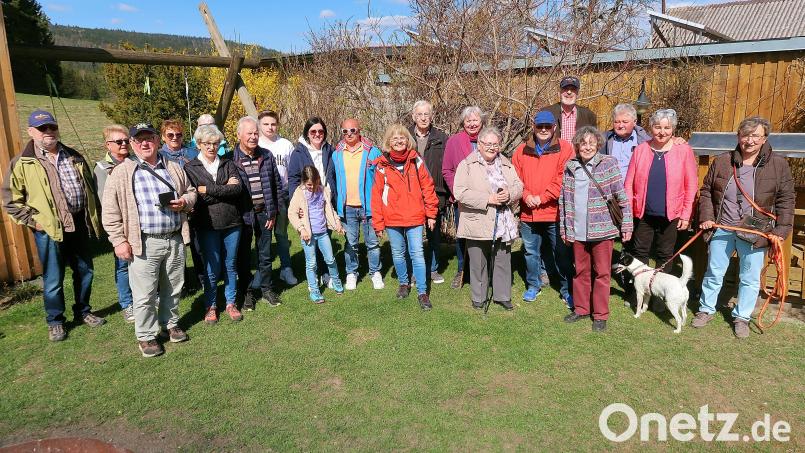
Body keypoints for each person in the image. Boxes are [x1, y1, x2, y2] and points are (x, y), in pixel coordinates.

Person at [2, 110, 105, 341]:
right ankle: (56, 321)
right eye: (42, 128)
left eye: (52, 127)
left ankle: (83, 311)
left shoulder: (73, 155)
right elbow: (10, 201)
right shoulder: (22, 162)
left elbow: (89, 188)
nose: (48, 131)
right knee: (53, 278)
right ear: (31, 132)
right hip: (48, 229)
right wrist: (34, 222)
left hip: (79, 223)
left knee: (85, 271)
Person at [101, 122, 197, 357]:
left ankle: (170, 323)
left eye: (149, 138)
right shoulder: (122, 172)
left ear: (156, 140)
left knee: (173, 286)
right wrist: (118, 241)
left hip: (174, 238)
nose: (145, 143)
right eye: (139, 139)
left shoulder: (173, 166)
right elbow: (110, 211)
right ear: (133, 144)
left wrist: (184, 202)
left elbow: (191, 191)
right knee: (144, 293)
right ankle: (146, 335)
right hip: (144, 242)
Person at [694, 116, 795, 339]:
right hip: (722, 227)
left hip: (755, 231)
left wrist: (780, 231)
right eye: (745, 135)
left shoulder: (778, 165)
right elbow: (707, 190)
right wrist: (707, 216)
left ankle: (742, 317)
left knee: (749, 277)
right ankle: (706, 309)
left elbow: (786, 200)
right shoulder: (722, 161)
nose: (750, 141)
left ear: (764, 138)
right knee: (714, 272)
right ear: (738, 136)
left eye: (755, 136)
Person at [559, 127, 633, 332]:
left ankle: (600, 315)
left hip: (602, 230)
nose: (587, 147)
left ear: (598, 145)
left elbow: (621, 196)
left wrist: (627, 224)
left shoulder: (608, 164)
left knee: (602, 273)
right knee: (580, 271)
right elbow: (563, 201)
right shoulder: (570, 167)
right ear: (577, 145)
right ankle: (582, 309)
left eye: (592, 143)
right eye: (583, 143)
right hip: (577, 230)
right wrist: (565, 229)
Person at [453, 126, 523, 310]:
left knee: (503, 259)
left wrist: (509, 194)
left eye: (495, 144)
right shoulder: (467, 164)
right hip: (477, 220)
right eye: (488, 144)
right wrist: (488, 199)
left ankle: (502, 295)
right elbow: (459, 192)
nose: (492, 147)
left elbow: (519, 186)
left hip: (503, 221)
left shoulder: (506, 163)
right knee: (478, 261)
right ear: (479, 144)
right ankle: (479, 297)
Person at [624, 109, 697, 281]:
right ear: (651, 128)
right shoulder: (640, 150)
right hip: (643, 213)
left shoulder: (683, 150)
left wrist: (686, 214)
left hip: (671, 214)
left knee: (665, 254)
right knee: (640, 251)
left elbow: (691, 185)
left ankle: (660, 292)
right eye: (658, 127)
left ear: (673, 129)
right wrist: (628, 212)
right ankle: (640, 289)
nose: (662, 132)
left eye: (667, 128)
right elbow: (628, 184)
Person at [372, 124, 439, 310]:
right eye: (395, 138)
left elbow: (428, 187)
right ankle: (404, 283)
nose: (399, 141)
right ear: (389, 142)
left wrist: (431, 214)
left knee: (417, 253)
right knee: (398, 253)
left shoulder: (416, 160)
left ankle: (422, 292)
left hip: (414, 217)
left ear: (408, 140)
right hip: (392, 218)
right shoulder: (382, 165)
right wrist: (378, 223)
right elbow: (376, 195)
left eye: (402, 137)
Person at [512, 110, 575, 307]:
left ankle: (567, 290)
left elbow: (563, 178)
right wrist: (526, 195)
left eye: (548, 126)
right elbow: (515, 179)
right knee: (531, 253)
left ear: (554, 127)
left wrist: (542, 198)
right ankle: (533, 285)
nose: (544, 130)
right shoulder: (521, 150)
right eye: (540, 126)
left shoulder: (565, 149)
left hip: (554, 213)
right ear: (534, 127)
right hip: (528, 213)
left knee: (561, 253)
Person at [183, 125, 244, 324]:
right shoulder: (191, 167)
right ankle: (211, 305)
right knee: (212, 267)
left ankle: (230, 302)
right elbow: (199, 198)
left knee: (230, 265)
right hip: (207, 224)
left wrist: (208, 189)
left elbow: (237, 191)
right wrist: (224, 188)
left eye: (215, 143)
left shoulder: (228, 163)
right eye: (207, 143)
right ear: (199, 144)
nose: (211, 147)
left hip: (232, 222)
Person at [231, 116, 286, 310]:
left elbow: (277, 185)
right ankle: (247, 293)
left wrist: (273, 212)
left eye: (256, 133)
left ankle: (267, 289)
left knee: (265, 254)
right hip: (244, 216)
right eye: (249, 133)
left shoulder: (267, 155)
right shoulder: (230, 159)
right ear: (239, 135)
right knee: (244, 256)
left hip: (265, 214)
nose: (253, 137)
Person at [331, 118, 384, 290]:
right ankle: (351, 273)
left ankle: (375, 272)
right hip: (347, 207)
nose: (349, 134)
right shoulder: (337, 154)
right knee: (351, 243)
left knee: (372, 243)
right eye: (345, 131)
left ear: (359, 131)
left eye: (352, 130)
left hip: (369, 207)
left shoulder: (372, 152)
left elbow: (382, 177)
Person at [287, 117, 338, 287]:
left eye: (320, 131)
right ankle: (313, 275)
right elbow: (293, 179)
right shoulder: (298, 153)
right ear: (307, 133)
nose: (317, 134)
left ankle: (325, 273)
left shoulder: (330, 150)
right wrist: (297, 203)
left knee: (325, 239)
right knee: (311, 242)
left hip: (324, 201)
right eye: (313, 131)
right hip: (307, 204)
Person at [94, 124, 134, 323]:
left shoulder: (135, 162)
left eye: (126, 140)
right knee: (123, 265)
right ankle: (127, 304)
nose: (123, 144)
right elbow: (107, 202)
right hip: (120, 224)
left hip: (139, 222)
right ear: (108, 145)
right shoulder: (102, 168)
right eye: (119, 141)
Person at [288, 165, 345, 303]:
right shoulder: (299, 193)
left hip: (323, 232)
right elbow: (292, 213)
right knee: (311, 263)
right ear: (304, 182)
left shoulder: (324, 191)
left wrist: (337, 223)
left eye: (314, 183)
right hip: (309, 235)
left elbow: (330, 210)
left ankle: (336, 281)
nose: (312, 187)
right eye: (309, 185)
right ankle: (314, 290)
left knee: (330, 259)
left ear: (318, 179)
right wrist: (301, 229)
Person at [159, 119, 204, 293]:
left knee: (199, 247)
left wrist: (192, 201)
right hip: (173, 208)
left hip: (195, 204)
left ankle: (202, 278)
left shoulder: (192, 153)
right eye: (170, 134)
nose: (174, 137)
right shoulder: (159, 156)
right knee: (176, 250)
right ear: (163, 136)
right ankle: (182, 283)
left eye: (178, 134)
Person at [441, 106, 484, 289]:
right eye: (468, 121)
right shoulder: (454, 141)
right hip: (462, 200)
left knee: (482, 235)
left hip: (484, 198)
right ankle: (462, 270)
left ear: (481, 122)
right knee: (462, 236)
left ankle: (482, 270)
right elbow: (447, 170)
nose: (472, 124)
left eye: (475, 120)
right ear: (463, 123)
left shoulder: (488, 139)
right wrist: (457, 192)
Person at [409, 100, 449, 284]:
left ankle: (433, 269)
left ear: (431, 116)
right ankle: (414, 270)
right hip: (411, 195)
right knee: (413, 236)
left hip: (434, 193)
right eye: (420, 114)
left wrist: (447, 192)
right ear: (413, 117)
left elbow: (447, 166)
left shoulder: (442, 138)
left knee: (434, 234)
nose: (423, 118)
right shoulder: (406, 136)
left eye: (426, 114)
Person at [257, 110, 297, 286]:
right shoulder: (255, 144)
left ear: (278, 125)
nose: (270, 127)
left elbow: (293, 172)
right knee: (263, 237)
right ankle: (261, 272)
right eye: (266, 124)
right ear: (259, 125)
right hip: (261, 198)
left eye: (273, 124)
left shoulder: (285, 145)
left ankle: (286, 269)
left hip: (282, 196)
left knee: (281, 234)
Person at [546, 76, 598, 143]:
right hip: (554, 150)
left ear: (577, 93)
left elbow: (593, 141)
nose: (569, 92)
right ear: (560, 92)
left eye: (573, 89)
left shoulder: (588, 115)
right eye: (565, 88)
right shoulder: (547, 112)